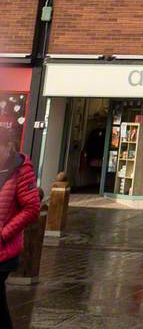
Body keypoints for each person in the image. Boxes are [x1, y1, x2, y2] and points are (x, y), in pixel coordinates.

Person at [0, 126, 41, 329]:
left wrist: (4, 233)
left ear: (8, 147)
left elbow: (32, 208)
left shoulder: (20, 170)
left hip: (3, 251)